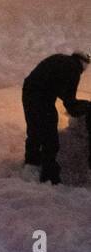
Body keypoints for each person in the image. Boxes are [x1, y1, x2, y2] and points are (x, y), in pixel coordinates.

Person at [21, 51, 91, 184]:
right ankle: (49, 175)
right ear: (83, 64)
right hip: (42, 98)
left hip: (28, 91)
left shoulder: (60, 59)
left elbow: (56, 86)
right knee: (50, 136)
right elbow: (70, 102)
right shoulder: (73, 70)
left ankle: (31, 163)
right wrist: (87, 107)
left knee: (34, 128)